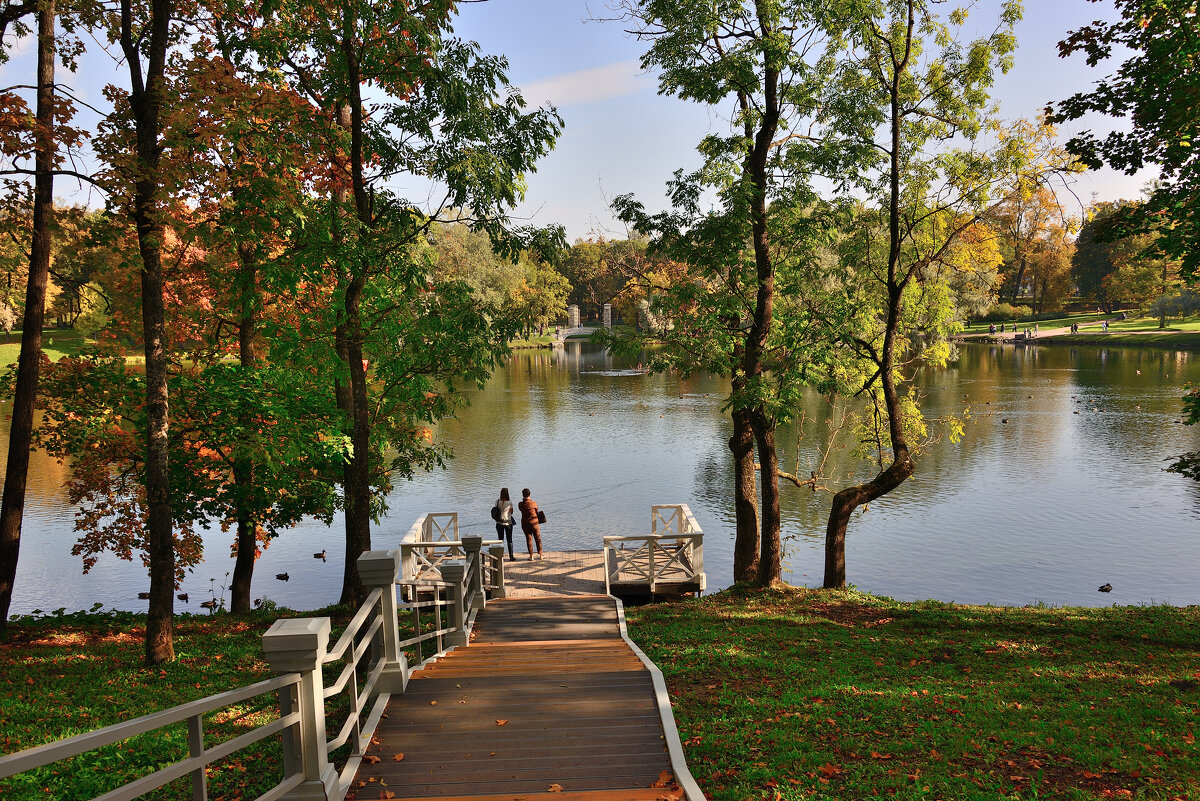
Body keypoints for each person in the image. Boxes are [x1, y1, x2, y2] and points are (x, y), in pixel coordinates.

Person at [518, 488, 543, 560]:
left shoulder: (520, 504)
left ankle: (531, 555)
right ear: (529, 494)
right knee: (538, 538)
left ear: (522, 495)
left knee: (529, 539)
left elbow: (521, 509)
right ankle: (541, 554)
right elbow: (537, 510)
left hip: (525, 523)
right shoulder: (533, 503)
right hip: (534, 523)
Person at [495, 487, 515, 561]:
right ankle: (511, 557)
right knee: (509, 540)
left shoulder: (497, 501)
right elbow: (512, 512)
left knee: (500, 539)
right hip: (508, 523)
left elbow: (496, 510)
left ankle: (500, 557)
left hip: (499, 523)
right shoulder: (509, 502)